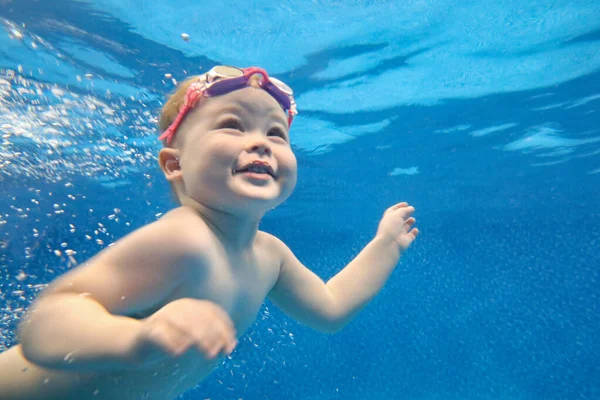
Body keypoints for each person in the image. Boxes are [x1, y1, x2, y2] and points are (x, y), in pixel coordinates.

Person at [0, 66, 419, 400]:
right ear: (174, 164)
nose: (261, 143)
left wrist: (385, 247)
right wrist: (139, 338)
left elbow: (329, 310)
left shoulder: (269, 256)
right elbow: (44, 321)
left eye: (276, 132)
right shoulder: (185, 240)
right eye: (233, 125)